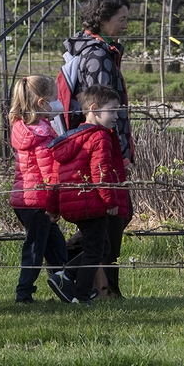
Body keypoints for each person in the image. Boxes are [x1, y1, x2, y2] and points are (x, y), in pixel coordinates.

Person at [62, 0, 135, 298]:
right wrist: (121, 154)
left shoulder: (96, 50)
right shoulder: (98, 56)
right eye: (122, 19)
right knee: (115, 213)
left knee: (116, 214)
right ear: (103, 19)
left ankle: (86, 272)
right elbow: (104, 109)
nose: (126, 25)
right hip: (102, 145)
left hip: (102, 143)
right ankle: (76, 268)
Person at [47, 84, 130, 305]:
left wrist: (54, 206)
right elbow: (100, 172)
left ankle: (65, 276)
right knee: (96, 250)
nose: (116, 116)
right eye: (112, 110)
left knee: (102, 247)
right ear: (94, 109)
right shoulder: (99, 137)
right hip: (92, 203)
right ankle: (80, 294)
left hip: (75, 203)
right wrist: (110, 200)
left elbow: (57, 176)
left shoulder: (72, 138)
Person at [8, 74, 68, 304]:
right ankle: (23, 293)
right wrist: (54, 205)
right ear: (42, 103)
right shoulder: (42, 136)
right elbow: (49, 175)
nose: (59, 103)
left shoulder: (23, 129)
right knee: (34, 249)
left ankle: (62, 283)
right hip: (39, 201)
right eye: (55, 98)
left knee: (55, 247)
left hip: (25, 199)